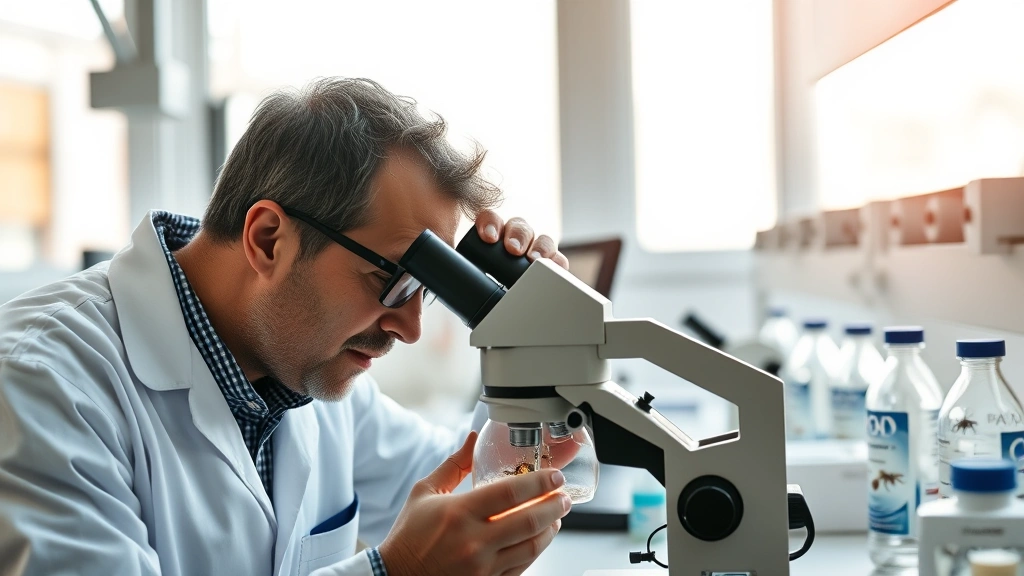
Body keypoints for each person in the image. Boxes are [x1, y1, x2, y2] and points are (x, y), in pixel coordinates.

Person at [0, 78, 573, 576]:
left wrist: (535, 343)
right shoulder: (41, 383)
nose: (411, 327)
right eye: (391, 280)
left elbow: (475, 492)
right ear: (268, 239)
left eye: (427, 288)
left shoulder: (309, 374)